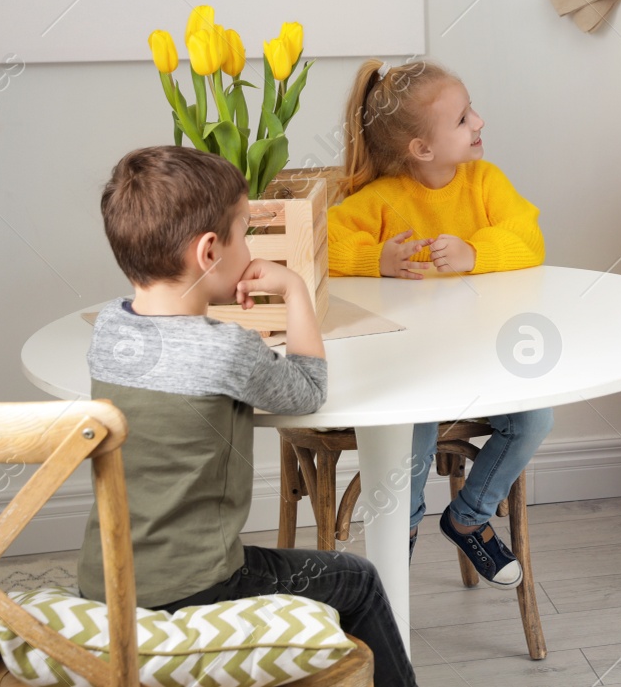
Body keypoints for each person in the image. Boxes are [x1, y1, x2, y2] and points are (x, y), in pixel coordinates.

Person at [82, 145, 417, 687]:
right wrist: (294, 290)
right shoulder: (227, 351)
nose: (251, 247)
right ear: (210, 250)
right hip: (194, 591)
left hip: (103, 585)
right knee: (356, 579)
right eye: (245, 232)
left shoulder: (108, 329)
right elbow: (309, 390)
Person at [327, 59, 549, 587]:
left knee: (535, 419)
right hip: (412, 366)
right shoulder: (384, 199)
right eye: (463, 119)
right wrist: (376, 260)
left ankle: (468, 516)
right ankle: (397, 540)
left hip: (480, 358)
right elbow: (324, 241)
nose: (480, 121)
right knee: (413, 435)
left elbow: (530, 239)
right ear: (421, 149)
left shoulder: (486, 183)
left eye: (471, 110)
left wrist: (475, 251)